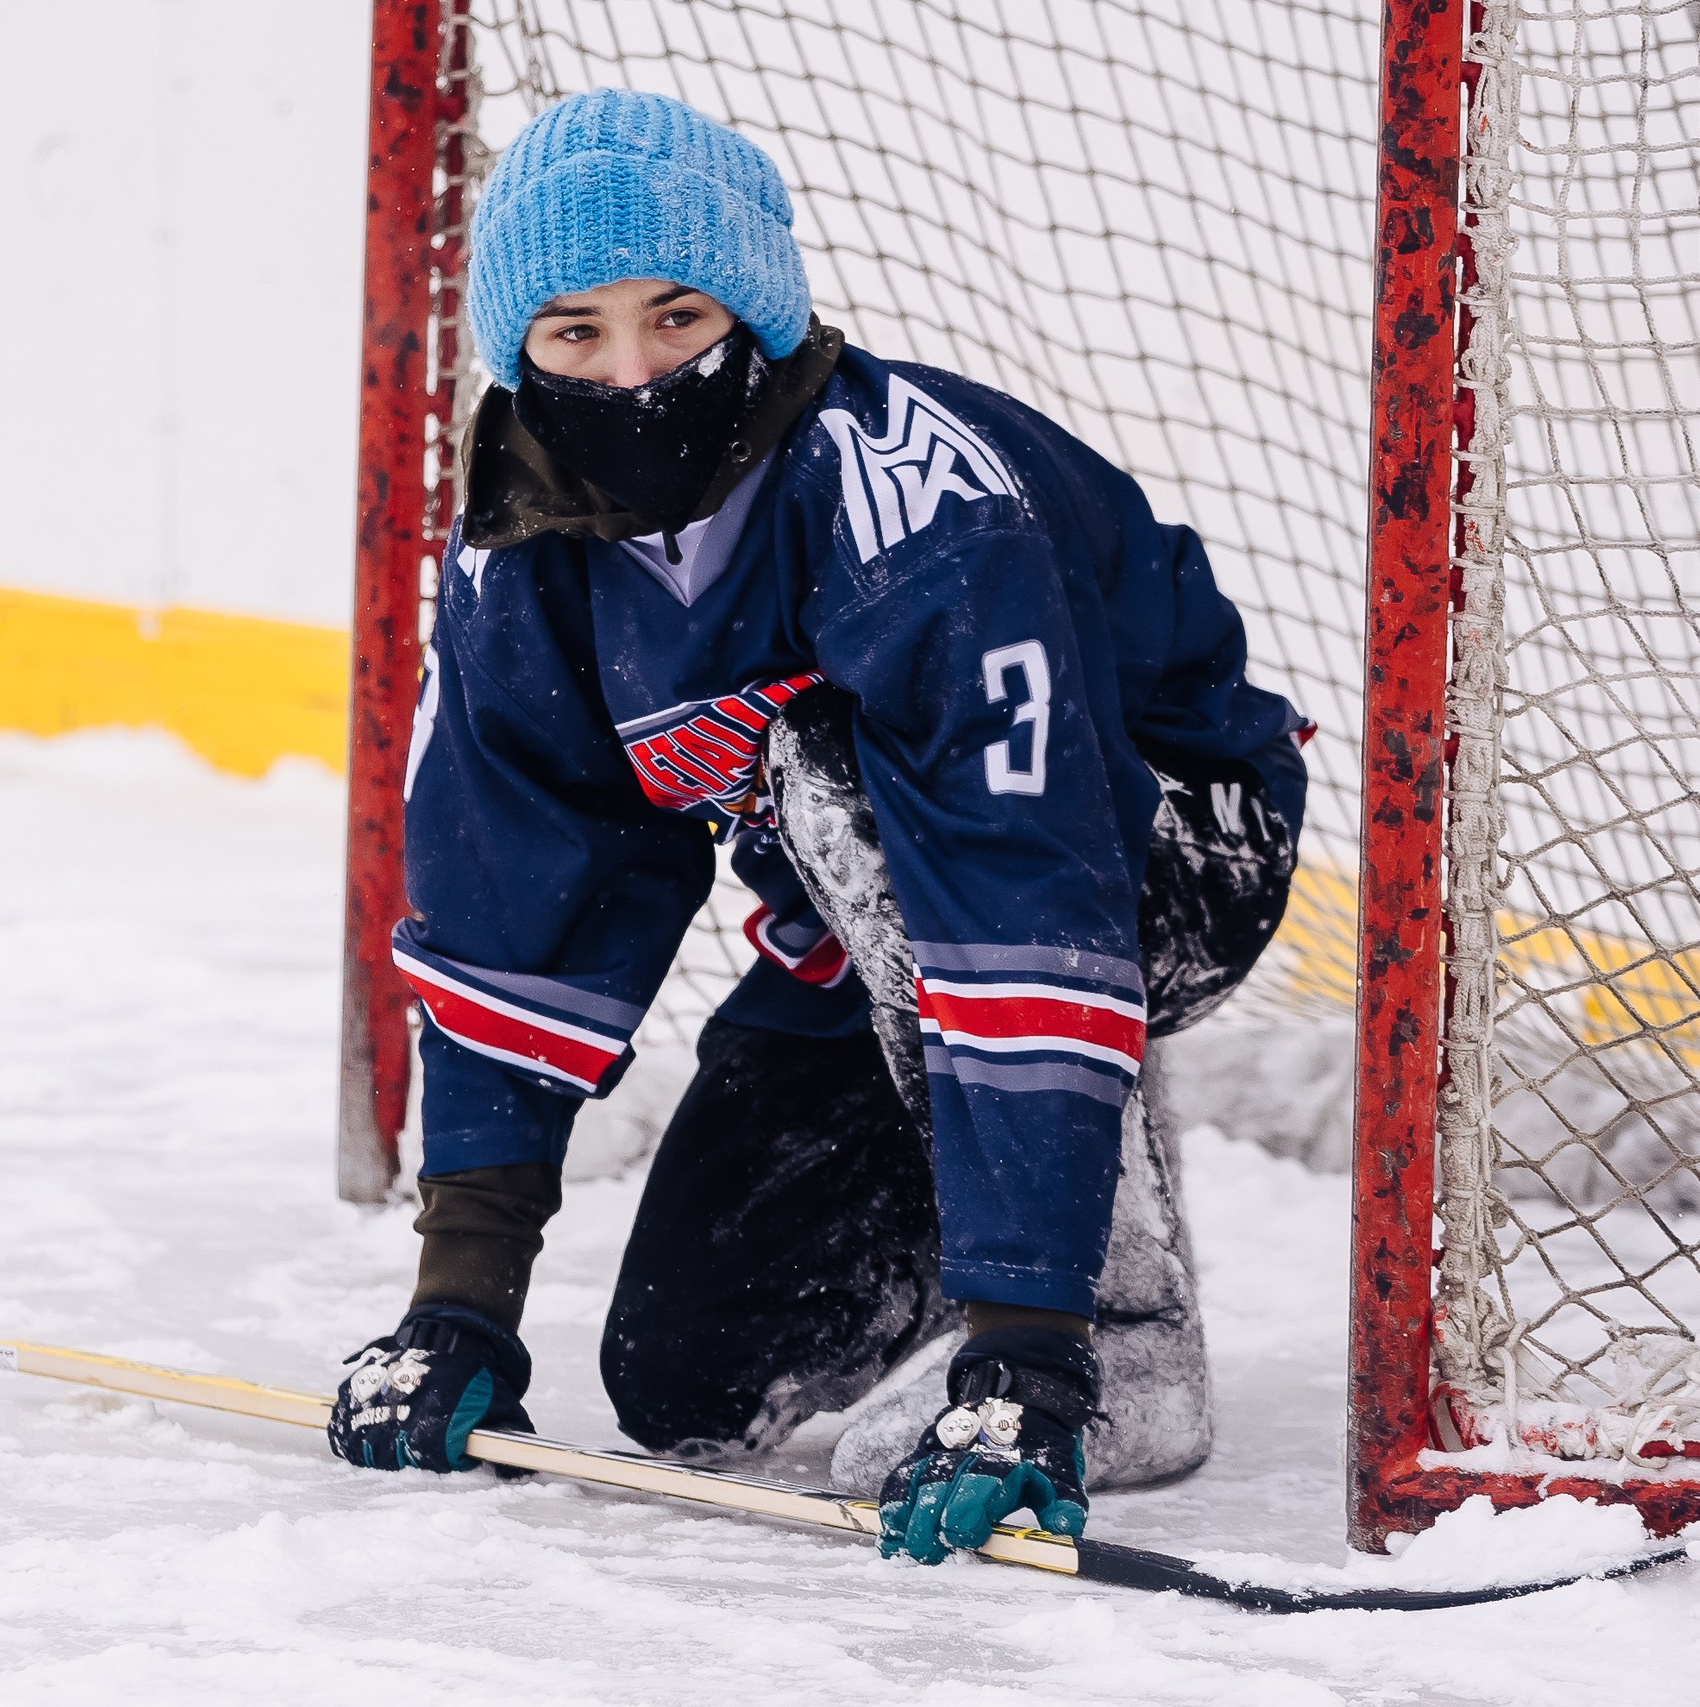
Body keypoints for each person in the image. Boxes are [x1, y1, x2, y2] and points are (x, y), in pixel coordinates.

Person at [325, 89, 1308, 1566]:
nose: (633, 376)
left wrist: (1028, 1355)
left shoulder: (912, 505)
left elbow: (1022, 887)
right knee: (691, 1384)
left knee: (832, 767)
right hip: (863, 911)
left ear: (758, 312)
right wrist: (458, 1305)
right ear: (522, 351)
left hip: (1154, 850)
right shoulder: (521, 555)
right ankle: (967, 1231)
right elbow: (517, 908)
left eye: (677, 318)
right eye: (576, 333)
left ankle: (1113, 1329)